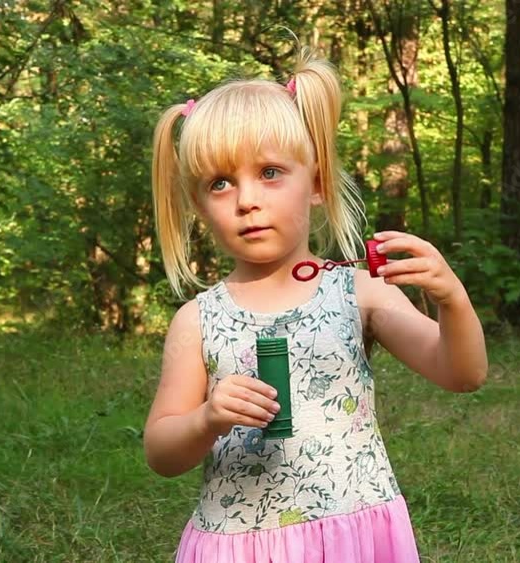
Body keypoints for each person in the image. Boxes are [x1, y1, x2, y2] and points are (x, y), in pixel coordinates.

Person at [143, 46, 487, 563]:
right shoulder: (198, 320)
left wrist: (452, 299)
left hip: (351, 537)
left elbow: (463, 374)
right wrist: (207, 418)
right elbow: (161, 451)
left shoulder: (359, 293)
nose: (246, 200)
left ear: (318, 183)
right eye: (220, 183)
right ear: (199, 206)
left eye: (270, 172)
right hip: (241, 544)